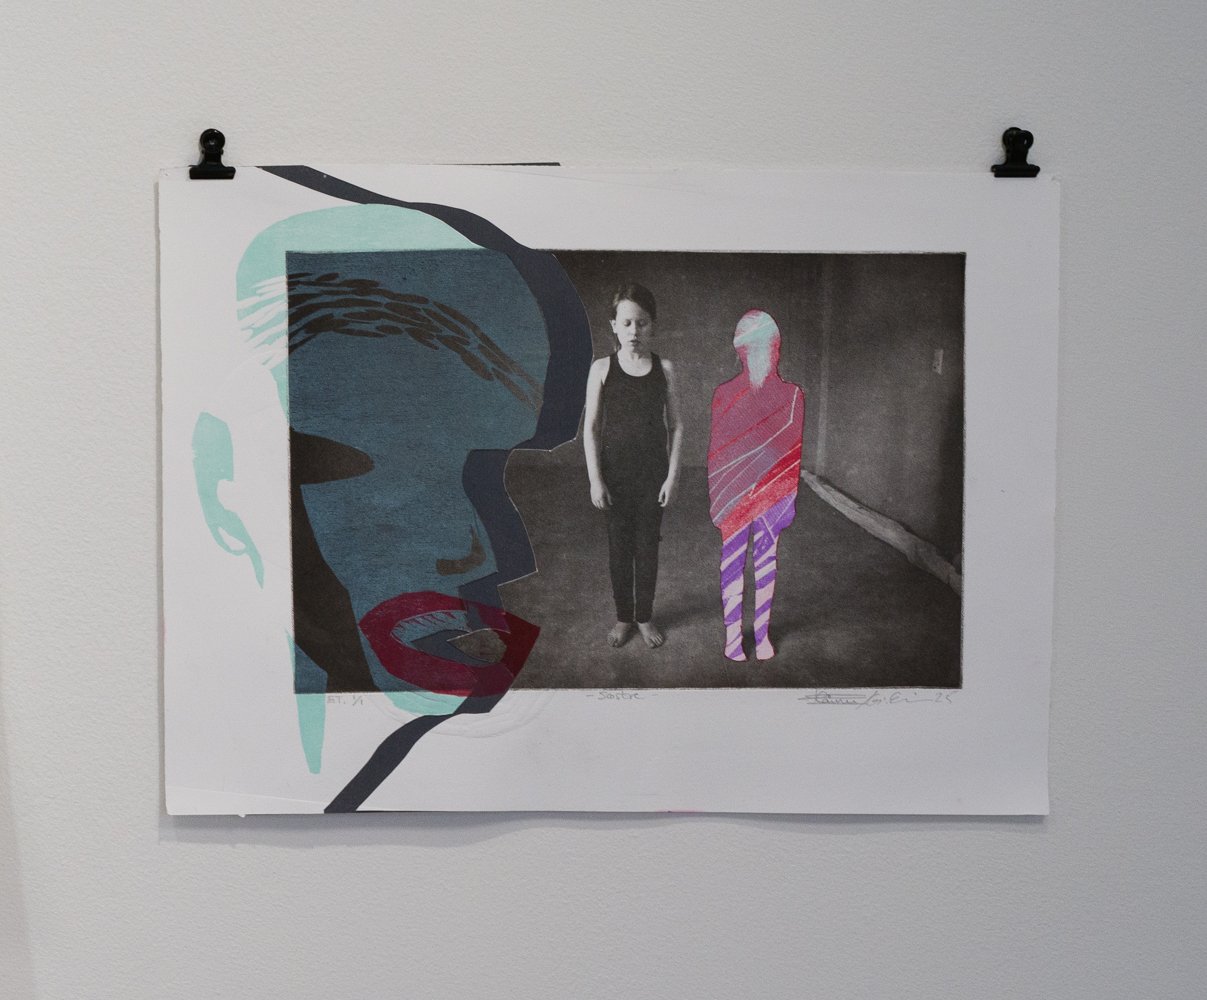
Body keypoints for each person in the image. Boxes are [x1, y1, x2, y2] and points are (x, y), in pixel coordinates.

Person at [583, 283, 684, 648]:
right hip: (615, 478)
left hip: (652, 477)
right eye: (626, 323)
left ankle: (644, 616)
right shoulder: (602, 368)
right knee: (619, 551)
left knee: (647, 550)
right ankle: (624, 616)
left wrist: (672, 477)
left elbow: (677, 426)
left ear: (652, 324)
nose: (634, 331)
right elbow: (591, 428)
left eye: (641, 323)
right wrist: (596, 480)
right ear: (614, 325)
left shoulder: (664, 369)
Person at [707, 310, 805, 661]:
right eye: (755, 345)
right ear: (741, 351)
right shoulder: (724, 395)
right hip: (734, 495)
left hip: (773, 492)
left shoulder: (793, 396)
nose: (764, 353)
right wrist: (719, 501)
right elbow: (717, 453)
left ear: (778, 349)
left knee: (766, 561)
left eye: (770, 345)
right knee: (732, 564)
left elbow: (792, 451)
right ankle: (733, 637)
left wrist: (787, 499)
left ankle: (761, 635)